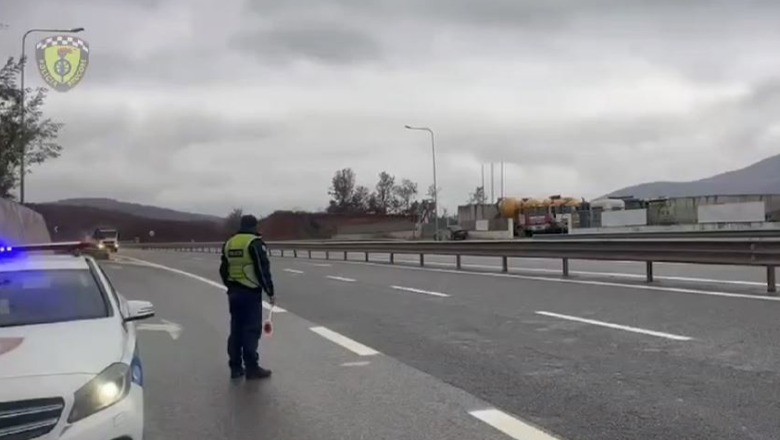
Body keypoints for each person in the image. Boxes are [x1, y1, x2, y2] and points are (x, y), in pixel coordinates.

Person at [219, 214, 275, 380]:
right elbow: (261, 269)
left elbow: (223, 269)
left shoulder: (229, 243)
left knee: (236, 330)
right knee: (251, 330)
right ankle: (252, 367)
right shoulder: (254, 243)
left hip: (234, 294)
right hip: (250, 293)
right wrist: (270, 291)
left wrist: (230, 286)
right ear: (254, 226)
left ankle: (235, 368)